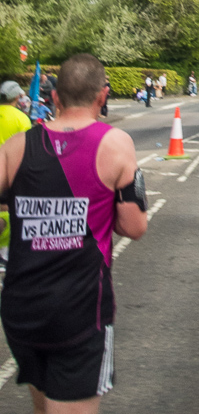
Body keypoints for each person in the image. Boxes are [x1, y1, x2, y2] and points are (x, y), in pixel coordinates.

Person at [0, 53, 148, 410]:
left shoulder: (14, 148)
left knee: (43, 405)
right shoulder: (116, 144)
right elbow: (133, 226)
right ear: (103, 95)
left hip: (22, 310)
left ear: (54, 97)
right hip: (80, 312)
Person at [0, 82, 33, 263]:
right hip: (10, 172)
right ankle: (5, 253)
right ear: (16, 97)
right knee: (10, 211)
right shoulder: (21, 119)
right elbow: (27, 150)